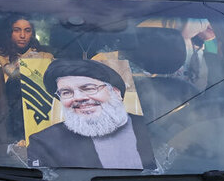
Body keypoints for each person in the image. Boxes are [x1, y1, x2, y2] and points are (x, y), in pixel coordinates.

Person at [27, 59, 155, 169]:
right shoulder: (44, 142)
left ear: (116, 92)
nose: (78, 98)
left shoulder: (152, 127)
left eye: (89, 88)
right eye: (66, 92)